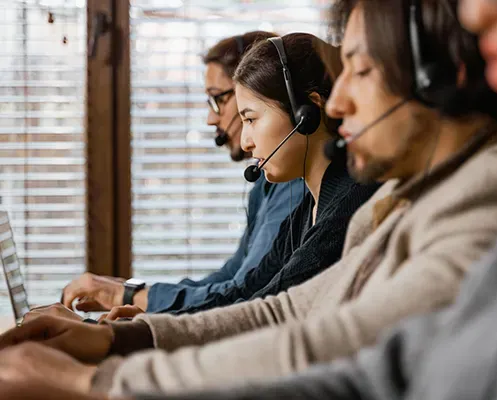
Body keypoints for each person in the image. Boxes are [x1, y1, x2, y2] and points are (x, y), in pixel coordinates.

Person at [0, 1, 497, 397]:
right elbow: (286, 308)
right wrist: (115, 340)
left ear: (435, 78)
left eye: (361, 71)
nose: (338, 105)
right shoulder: (400, 201)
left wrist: (93, 381)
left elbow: (337, 346)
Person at [49, 31, 306, 317]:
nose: (211, 118)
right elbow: (230, 281)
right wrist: (129, 292)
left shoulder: (293, 184)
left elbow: (241, 297)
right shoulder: (267, 183)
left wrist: (126, 295)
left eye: (217, 99)